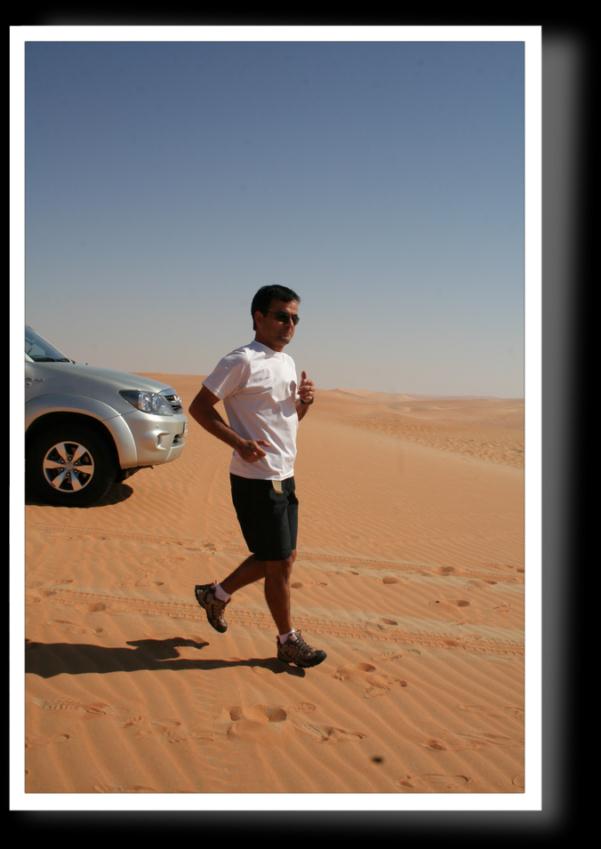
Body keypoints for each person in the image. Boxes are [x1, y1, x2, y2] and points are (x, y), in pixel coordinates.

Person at [188, 284, 327, 669]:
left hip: (285, 474)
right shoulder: (241, 361)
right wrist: (239, 442)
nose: (289, 324)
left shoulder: (286, 362)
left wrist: (305, 402)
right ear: (259, 317)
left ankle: (215, 595)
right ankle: (287, 641)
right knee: (278, 562)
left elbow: (289, 420)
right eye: (282, 316)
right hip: (256, 479)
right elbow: (199, 407)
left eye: (295, 318)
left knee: (283, 557)